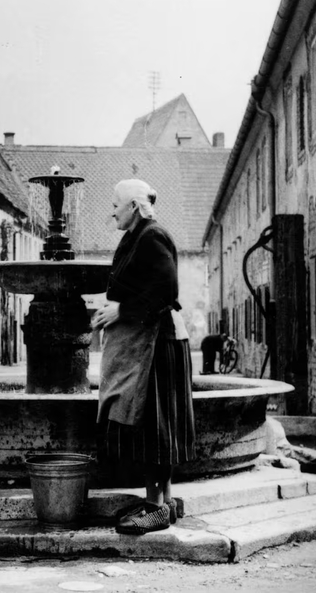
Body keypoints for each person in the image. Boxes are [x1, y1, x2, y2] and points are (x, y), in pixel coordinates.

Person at [93, 179, 196, 535]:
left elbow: (167, 291)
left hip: (159, 342)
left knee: (154, 424)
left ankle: (155, 509)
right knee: (154, 423)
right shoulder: (138, 236)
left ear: (134, 206)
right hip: (150, 341)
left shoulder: (152, 236)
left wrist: (121, 310)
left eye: (116, 205)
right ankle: (162, 502)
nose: (112, 211)